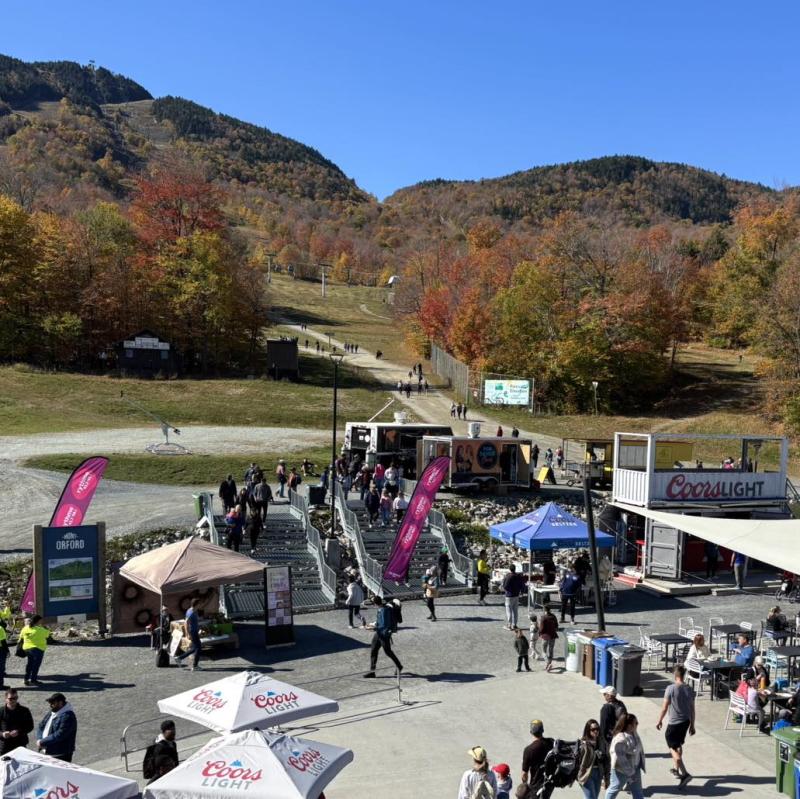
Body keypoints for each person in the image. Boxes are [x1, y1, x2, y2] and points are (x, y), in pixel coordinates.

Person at [656, 665, 695, 789]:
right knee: (678, 745)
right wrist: (692, 725)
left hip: (674, 723)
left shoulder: (670, 688)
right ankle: (676, 769)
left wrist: (659, 720)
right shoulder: (689, 689)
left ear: (676, 675)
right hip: (685, 722)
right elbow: (692, 709)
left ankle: (685, 774)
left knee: (672, 747)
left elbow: (664, 707)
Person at [605, 714, 645, 799]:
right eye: (636, 723)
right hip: (621, 770)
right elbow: (620, 758)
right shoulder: (620, 739)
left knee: (637, 791)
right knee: (614, 790)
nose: (637, 724)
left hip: (635, 767)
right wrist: (630, 772)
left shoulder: (634, 733)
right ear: (629, 725)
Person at [363, 595, 403, 678]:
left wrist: (373, 628)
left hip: (384, 635)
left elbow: (384, 625)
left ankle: (399, 666)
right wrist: (372, 624)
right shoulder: (381, 609)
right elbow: (379, 621)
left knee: (388, 652)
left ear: (375, 604)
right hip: (379, 634)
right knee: (374, 650)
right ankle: (372, 671)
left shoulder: (384, 611)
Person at [35, 693, 77, 762]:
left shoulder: (68, 716)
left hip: (60, 754)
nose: (50, 705)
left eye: (52, 703)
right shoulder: (52, 712)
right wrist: (39, 740)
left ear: (60, 703)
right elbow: (41, 726)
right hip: (48, 752)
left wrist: (42, 742)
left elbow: (60, 734)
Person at [578, 719, 609, 799]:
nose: (596, 731)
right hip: (587, 775)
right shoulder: (583, 744)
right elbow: (578, 762)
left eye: (597, 729)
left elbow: (606, 761)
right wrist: (580, 776)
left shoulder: (602, 742)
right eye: (593, 729)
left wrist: (606, 778)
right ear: (588, 730)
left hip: (598, 774)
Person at [520, 720, 553, 796]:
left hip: (535, 785)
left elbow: (524, 773)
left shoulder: (529, 750)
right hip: (549, 782)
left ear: (531, 732)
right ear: (543, 730)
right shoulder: (551, 742)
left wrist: (524, 784)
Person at [0, 688, 33, 754]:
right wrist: (2, 734)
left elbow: (30, 726)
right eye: (11, 698)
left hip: (20, 744)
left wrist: (18, 731)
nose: (13, 700)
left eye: (15, 698)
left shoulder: (24, 711)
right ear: (6, 699)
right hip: (4, 746)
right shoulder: (1, 711)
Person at [20, 615, 50, 686]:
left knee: (30, 664)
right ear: (38, 621)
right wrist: (44, 627)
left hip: (27, 648)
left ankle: (26, 679)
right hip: (38, 649)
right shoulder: (40, 629)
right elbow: (48, 634)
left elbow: (21, 637)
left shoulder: (25, 628)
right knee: (36, 665)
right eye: (41, 620)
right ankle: (33, 680)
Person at [175, 598, 202, 671]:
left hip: (194, 631)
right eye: (199, 604)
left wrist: (198, 628)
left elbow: (195, 621)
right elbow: (186, 623)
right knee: (198, 648)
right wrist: (187, 633)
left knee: (194, 648)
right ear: (196, 604)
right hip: (192, 632)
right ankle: (195, 666)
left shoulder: (192, 610)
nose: (200, 605)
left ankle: (179, 658)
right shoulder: (191, 612)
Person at [502, 564, 525, 630]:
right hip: (516, 595)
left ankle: (509, 625)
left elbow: (505, 586)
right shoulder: (518, 576)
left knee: (509, 610)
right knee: (515, 611)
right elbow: (522, 585)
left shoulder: (508, 576)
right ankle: (515, 624)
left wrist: (506, 590)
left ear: (510, 569)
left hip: (509, 595)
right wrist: (521, 591)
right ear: (515, 569)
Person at [538, 604, 559, 671]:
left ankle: (548, 663)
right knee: (551, 650)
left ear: (544, 610)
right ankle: (549, 664)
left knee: (543, 651)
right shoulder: (553, 616)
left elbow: (541, 628)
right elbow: (556, 626)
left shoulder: (543, 617)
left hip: (545, 636)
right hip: (553, 635)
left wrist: (539, 634)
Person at [0, 619, 7, 688]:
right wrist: (7, 651)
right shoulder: (0, 628)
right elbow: (3, 642)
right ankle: (0, 685)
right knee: (0, 668)